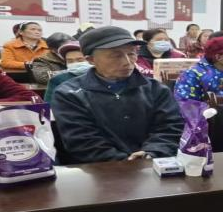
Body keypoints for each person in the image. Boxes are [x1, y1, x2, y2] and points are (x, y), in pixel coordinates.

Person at [49, 26, 184, 164]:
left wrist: (152, 152)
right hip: (100, 170)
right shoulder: (69, 94)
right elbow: (82, 141)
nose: (127, 62)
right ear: (91, 60)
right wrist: (127, 163)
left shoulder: (156, 89)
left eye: (131, 54)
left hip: (152, 165)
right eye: (116, 55)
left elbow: (170, 128)